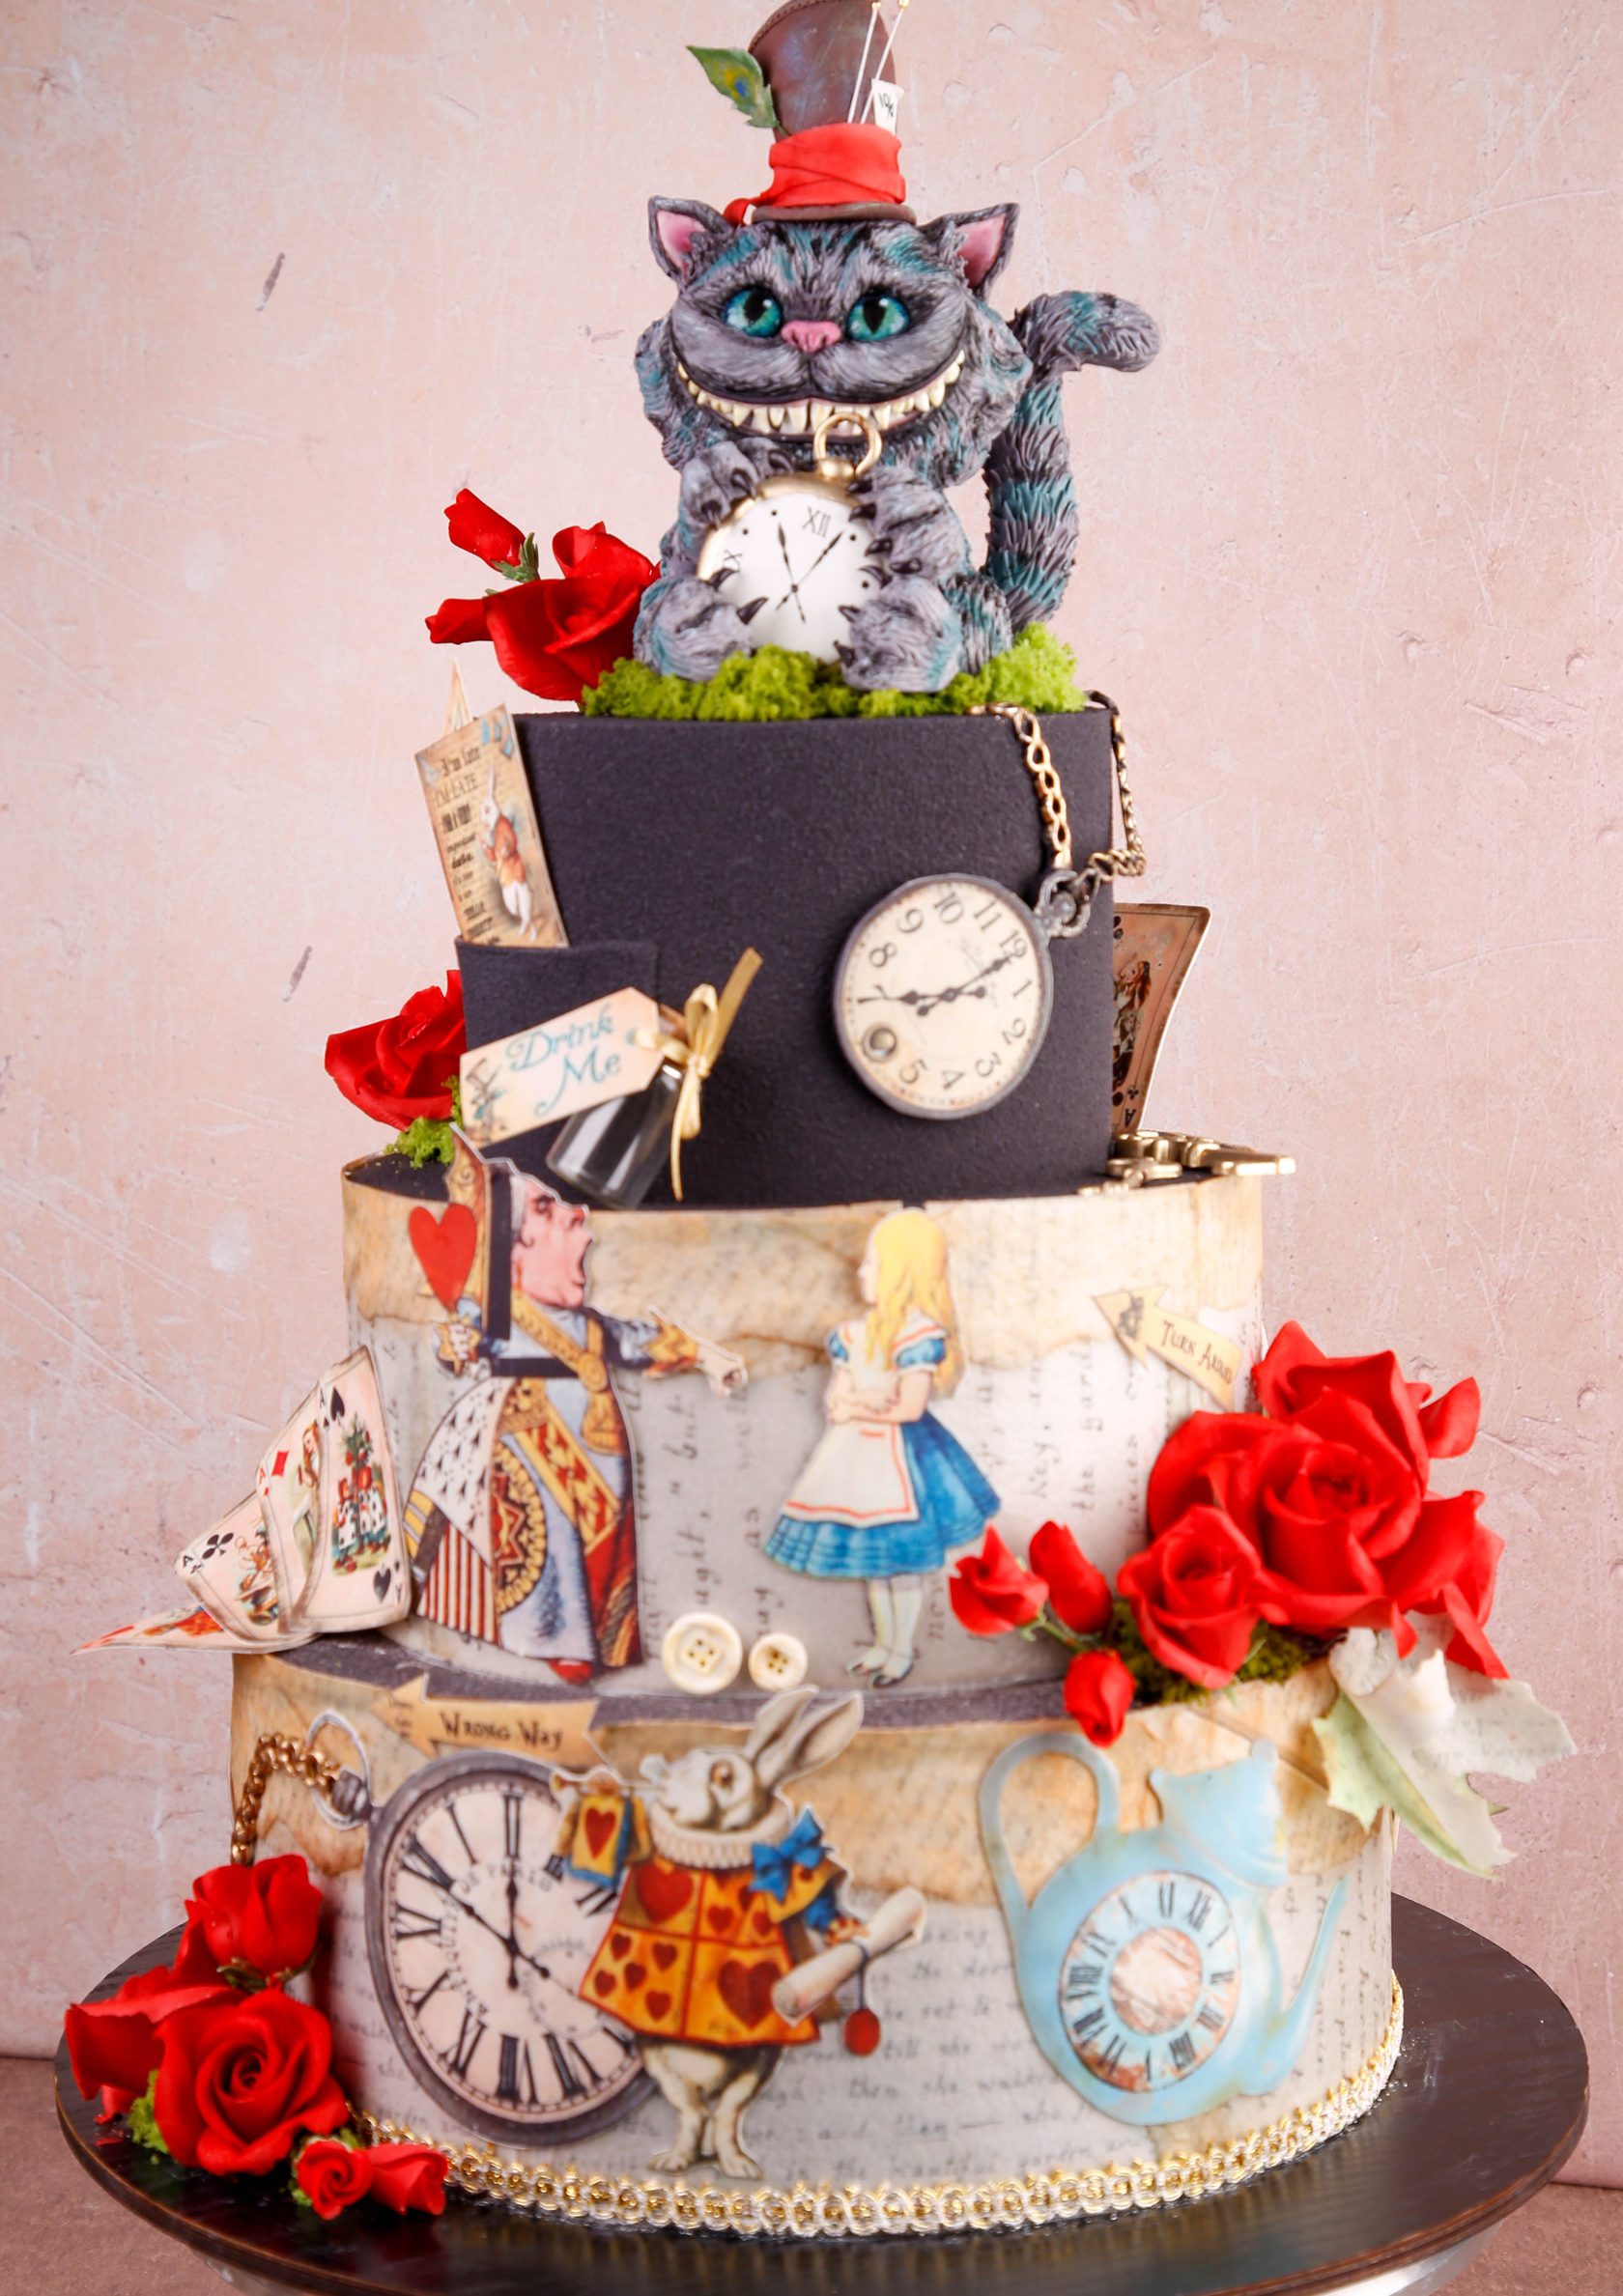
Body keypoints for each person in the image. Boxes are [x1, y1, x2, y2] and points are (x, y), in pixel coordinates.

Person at [406, 1165, 745, 1680]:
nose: (578, 1215)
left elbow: (640, 1339)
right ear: (512, 1252)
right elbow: (459, 1339)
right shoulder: (498, 1314)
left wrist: (707, 1355)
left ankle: (600, 1647)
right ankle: (552, 1646)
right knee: (547, 1553)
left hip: (602, 1460)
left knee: (604, 1561)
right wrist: (453, 1344)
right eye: (546, 1209)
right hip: (529, 1442)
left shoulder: (590, 1327)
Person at [765, 1208, 998, 1685]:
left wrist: (863, 1405)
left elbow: (910, 1408)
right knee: (877, 1564)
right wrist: (851, 1403)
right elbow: (836, 1399)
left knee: (902, 1562)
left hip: (904, 1464)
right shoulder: (852, 1335)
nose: (861, 1272)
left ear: (900, 1272)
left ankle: (902, 1650)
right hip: (855, 1457)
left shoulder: (918, 1335)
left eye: (872, 1263)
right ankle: (882, 1645)